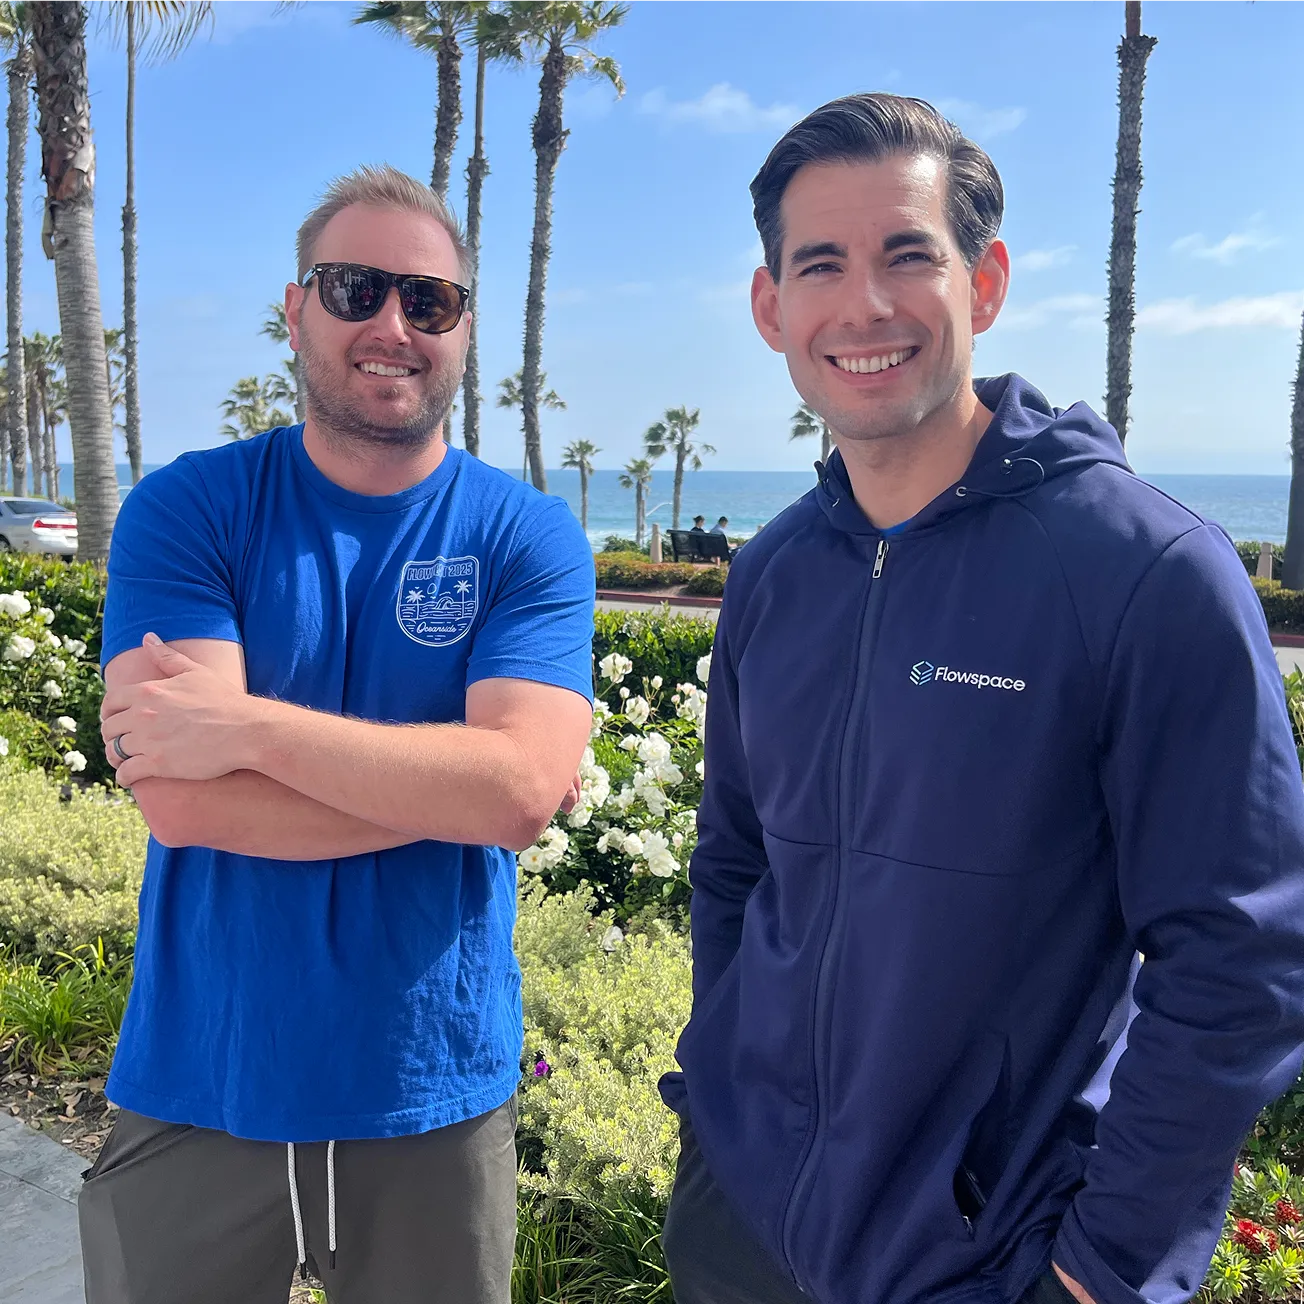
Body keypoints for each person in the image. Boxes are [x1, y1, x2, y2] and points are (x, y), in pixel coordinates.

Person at [658, 92, 1304, 1304]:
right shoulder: (773, 573)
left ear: (985, 281)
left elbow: (1243, 956)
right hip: (740, 1233)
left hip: (987, 1259)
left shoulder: (1144, 571)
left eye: (908, 255)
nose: (864, 304)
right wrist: (718, 1115)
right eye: (820, 264)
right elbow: (735, 863)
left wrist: (1097, 1269)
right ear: (770, 306)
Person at [82, 165, 596, 1304]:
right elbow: (184, 800)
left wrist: (247, 726)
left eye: (430, 299)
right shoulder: (190, 508)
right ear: (296, 307)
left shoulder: (527, 536)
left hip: (432, 1092)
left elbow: (514, 791)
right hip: (204, 1076)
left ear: (464, 327)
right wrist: (457, 788)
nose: (392, 325)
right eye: (357, 288)